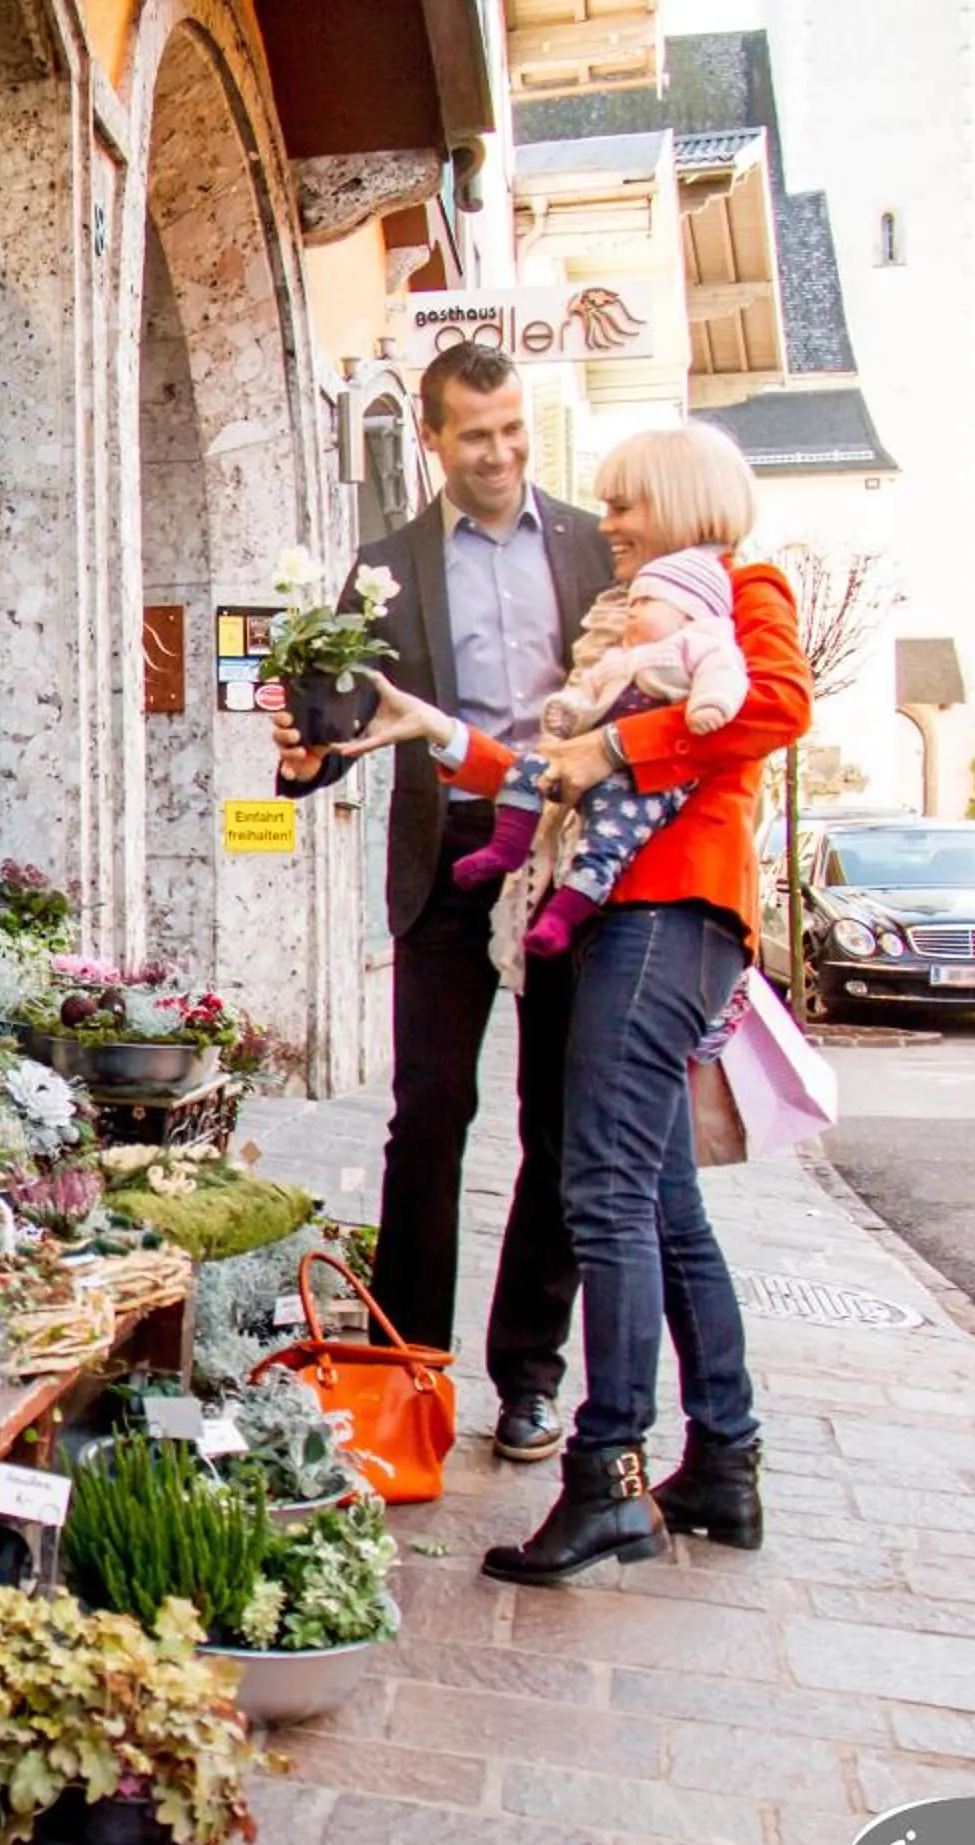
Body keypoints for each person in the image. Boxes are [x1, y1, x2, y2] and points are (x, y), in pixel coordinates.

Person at [322, 424, 811, 1583]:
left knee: (600, 1189)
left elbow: (779, 704)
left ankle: (608, 1480)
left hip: (666, 913)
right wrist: (431, 729)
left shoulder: (743, 584)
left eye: (629, 503)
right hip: (631, 916)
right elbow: (549, 777)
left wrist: (621, 750)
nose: (615, 523)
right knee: (661, 1198)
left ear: (680, 498)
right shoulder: (638, 627)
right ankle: (725, 1460)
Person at [275, 342, 617, 1463]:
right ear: (432, 438)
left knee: (558, 1124)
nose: (503, 452)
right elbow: (341, 720)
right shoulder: (386, 564)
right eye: (477, 434)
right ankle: (411, 1366)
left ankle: (528, 1373)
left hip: (564, 852)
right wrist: (300, 755)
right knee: (429, 1115)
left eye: (514, 428)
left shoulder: (588, 543)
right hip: (446, 859)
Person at [452, 547, 750, 957]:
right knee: (526, 770)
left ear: (689, 611)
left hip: (642, 780)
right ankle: (507, 845)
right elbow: (587, 692)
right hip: (583, 760)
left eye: (647, 601)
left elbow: (725, 679)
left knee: (605, 846)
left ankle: (560, 919)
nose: (632, 611)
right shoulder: (619, 657)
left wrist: (711, 704)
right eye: (631, 602)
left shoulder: (702, 645)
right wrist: (567, 712)